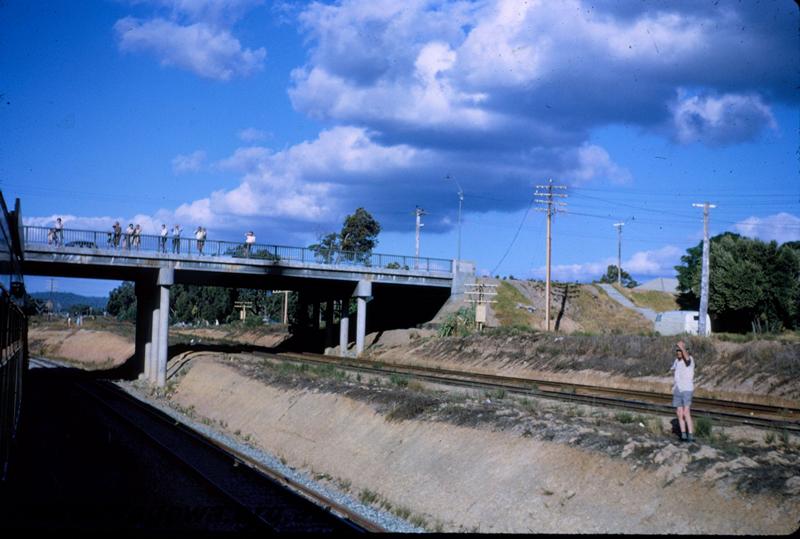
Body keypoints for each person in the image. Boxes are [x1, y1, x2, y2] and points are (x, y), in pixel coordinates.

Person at [670, 340, 695, 443]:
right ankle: (683, 435)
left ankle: (690, 435)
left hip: (687, 389)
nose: (679, 352)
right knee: (679, 413)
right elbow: (673, 369)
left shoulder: (690, 360)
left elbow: (687, 360)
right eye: (678, 351)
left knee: (686, 412)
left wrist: (682, 347)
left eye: (680, 350)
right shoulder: (677, 361)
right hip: (678, 389)